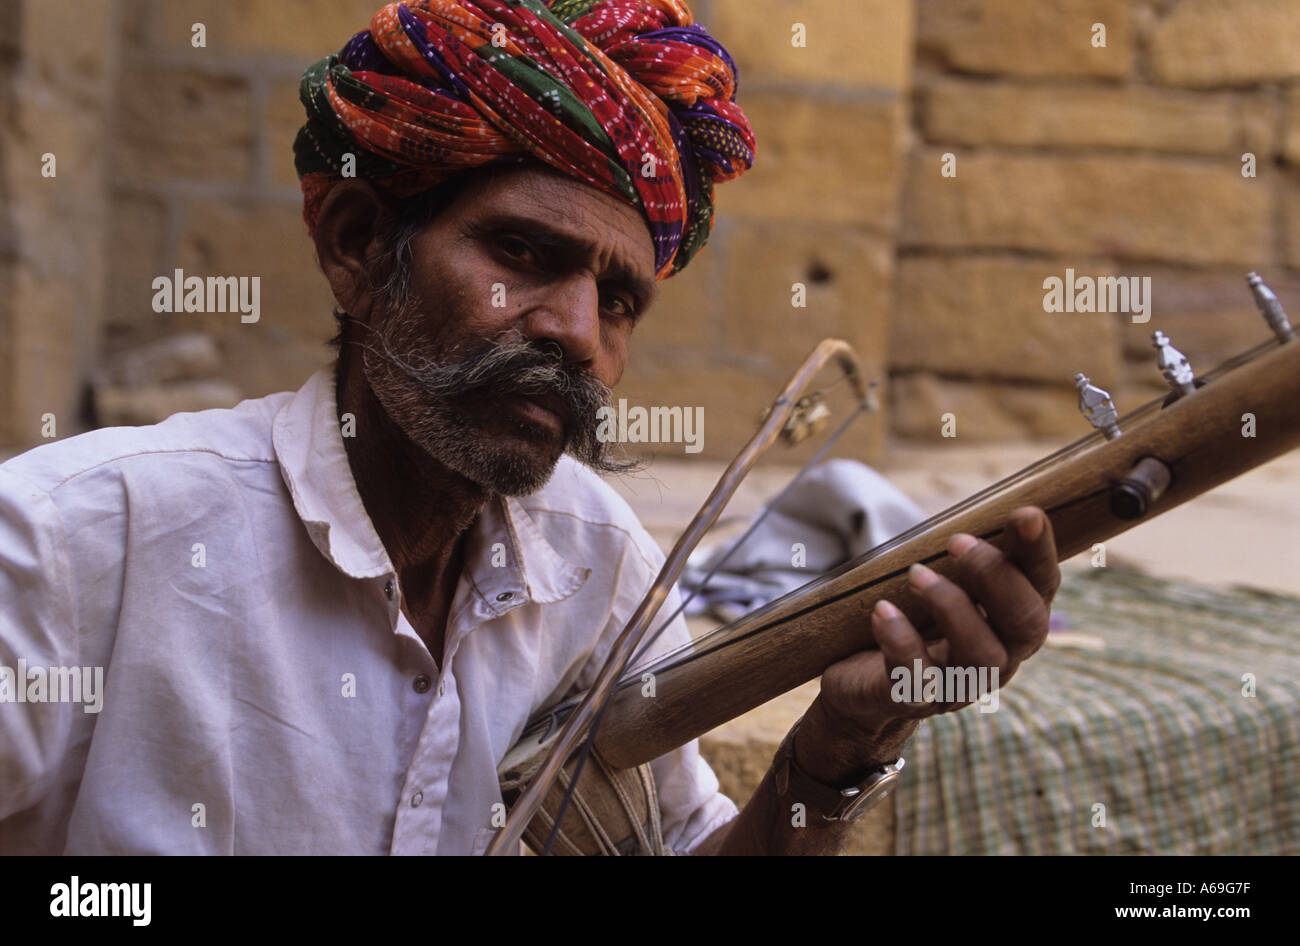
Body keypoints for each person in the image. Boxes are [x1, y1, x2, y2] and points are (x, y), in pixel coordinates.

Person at [0, 0, 1058, 855]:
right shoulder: (80, 539)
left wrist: (833, 751)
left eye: (621, 300)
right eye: (521, 253)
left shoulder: (595, 561)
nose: (575, 334)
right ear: (361, 247)